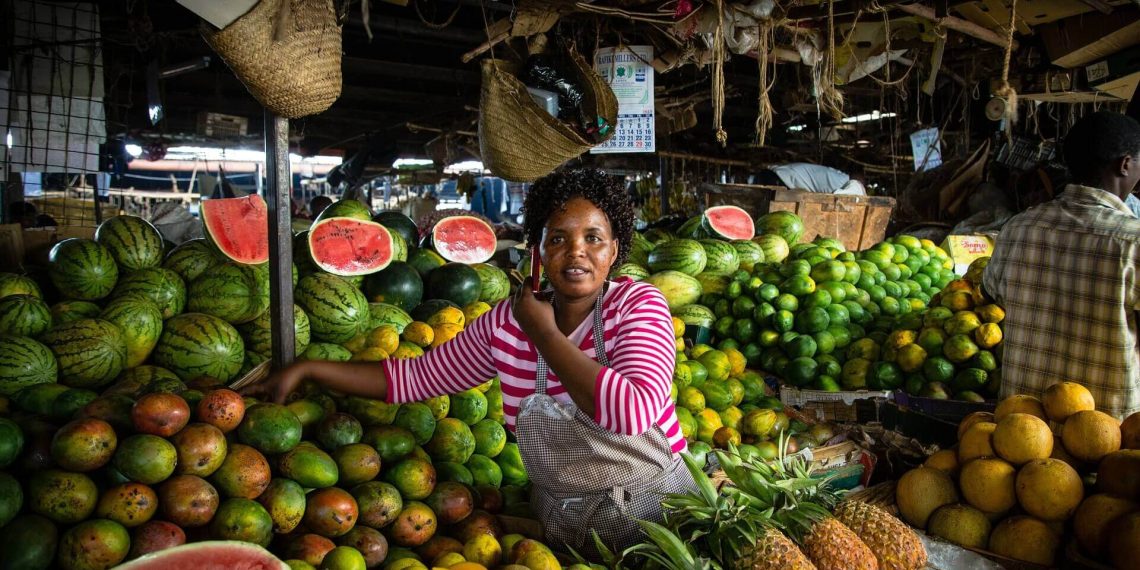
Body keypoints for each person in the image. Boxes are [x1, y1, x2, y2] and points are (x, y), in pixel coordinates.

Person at [243, 168, 695, 556]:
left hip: (659, 518)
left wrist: (543, 332)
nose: (576, 251)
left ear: (614, 252)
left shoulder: (638, 305)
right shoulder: (505, 324)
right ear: (536, 252)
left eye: (593, 238)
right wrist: (308, 369)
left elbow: (631, 410)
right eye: (558, 238)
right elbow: (416, 377)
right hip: (564, 525)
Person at [984, 111, 1140, 419]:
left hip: (1020, 438)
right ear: (1124, 164)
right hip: (1107, 439)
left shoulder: (1018, 228)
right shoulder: (1133, 241)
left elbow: (990, 295)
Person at [753, 162, 866, 195]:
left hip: (774, 173)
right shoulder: (845, 182)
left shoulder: (838, 175)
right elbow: (838, 198)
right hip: (780, 180)